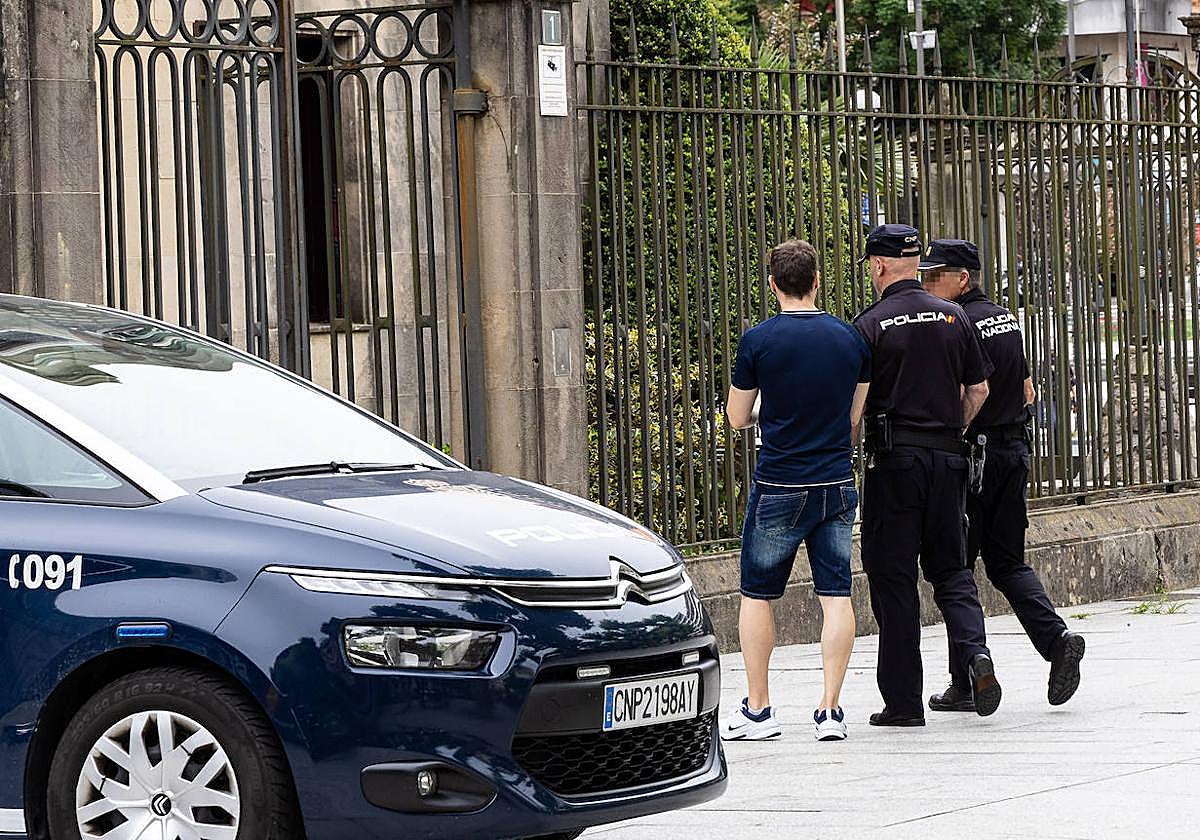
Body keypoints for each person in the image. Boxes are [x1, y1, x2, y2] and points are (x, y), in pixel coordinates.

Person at [919, 239, 1085, 710]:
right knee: (1008, 563)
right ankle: (1057, 641)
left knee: (956, 569)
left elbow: (967, 392)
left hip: (976, 458)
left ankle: (969, 674)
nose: (926, 284)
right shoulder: (1004, 318)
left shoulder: (957, 322)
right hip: (1014, 452)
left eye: (934, 276)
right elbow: (1028, 391)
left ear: (962, 278)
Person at [721, 239, 871, 742]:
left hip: (780, 482)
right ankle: (830, 709)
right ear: (817, 281)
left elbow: (737, 417)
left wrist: (766, 413)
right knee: (836, 594)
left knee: (757, 594)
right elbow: (854, 417)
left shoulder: (758, 341)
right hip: (835, 480)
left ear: (773, 284)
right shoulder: (851, 339)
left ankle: (759, 709)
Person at [854, 223, 1001, 727]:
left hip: (895, 463)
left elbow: (856, 405)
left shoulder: (870, 324)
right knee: (952, 570)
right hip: (948, 460)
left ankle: (903, 703)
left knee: (893, 578)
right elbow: (979, 389)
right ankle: (975, 654)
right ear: (917, 263)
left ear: (878, 265)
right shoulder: (955, 316)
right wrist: (950, 429)